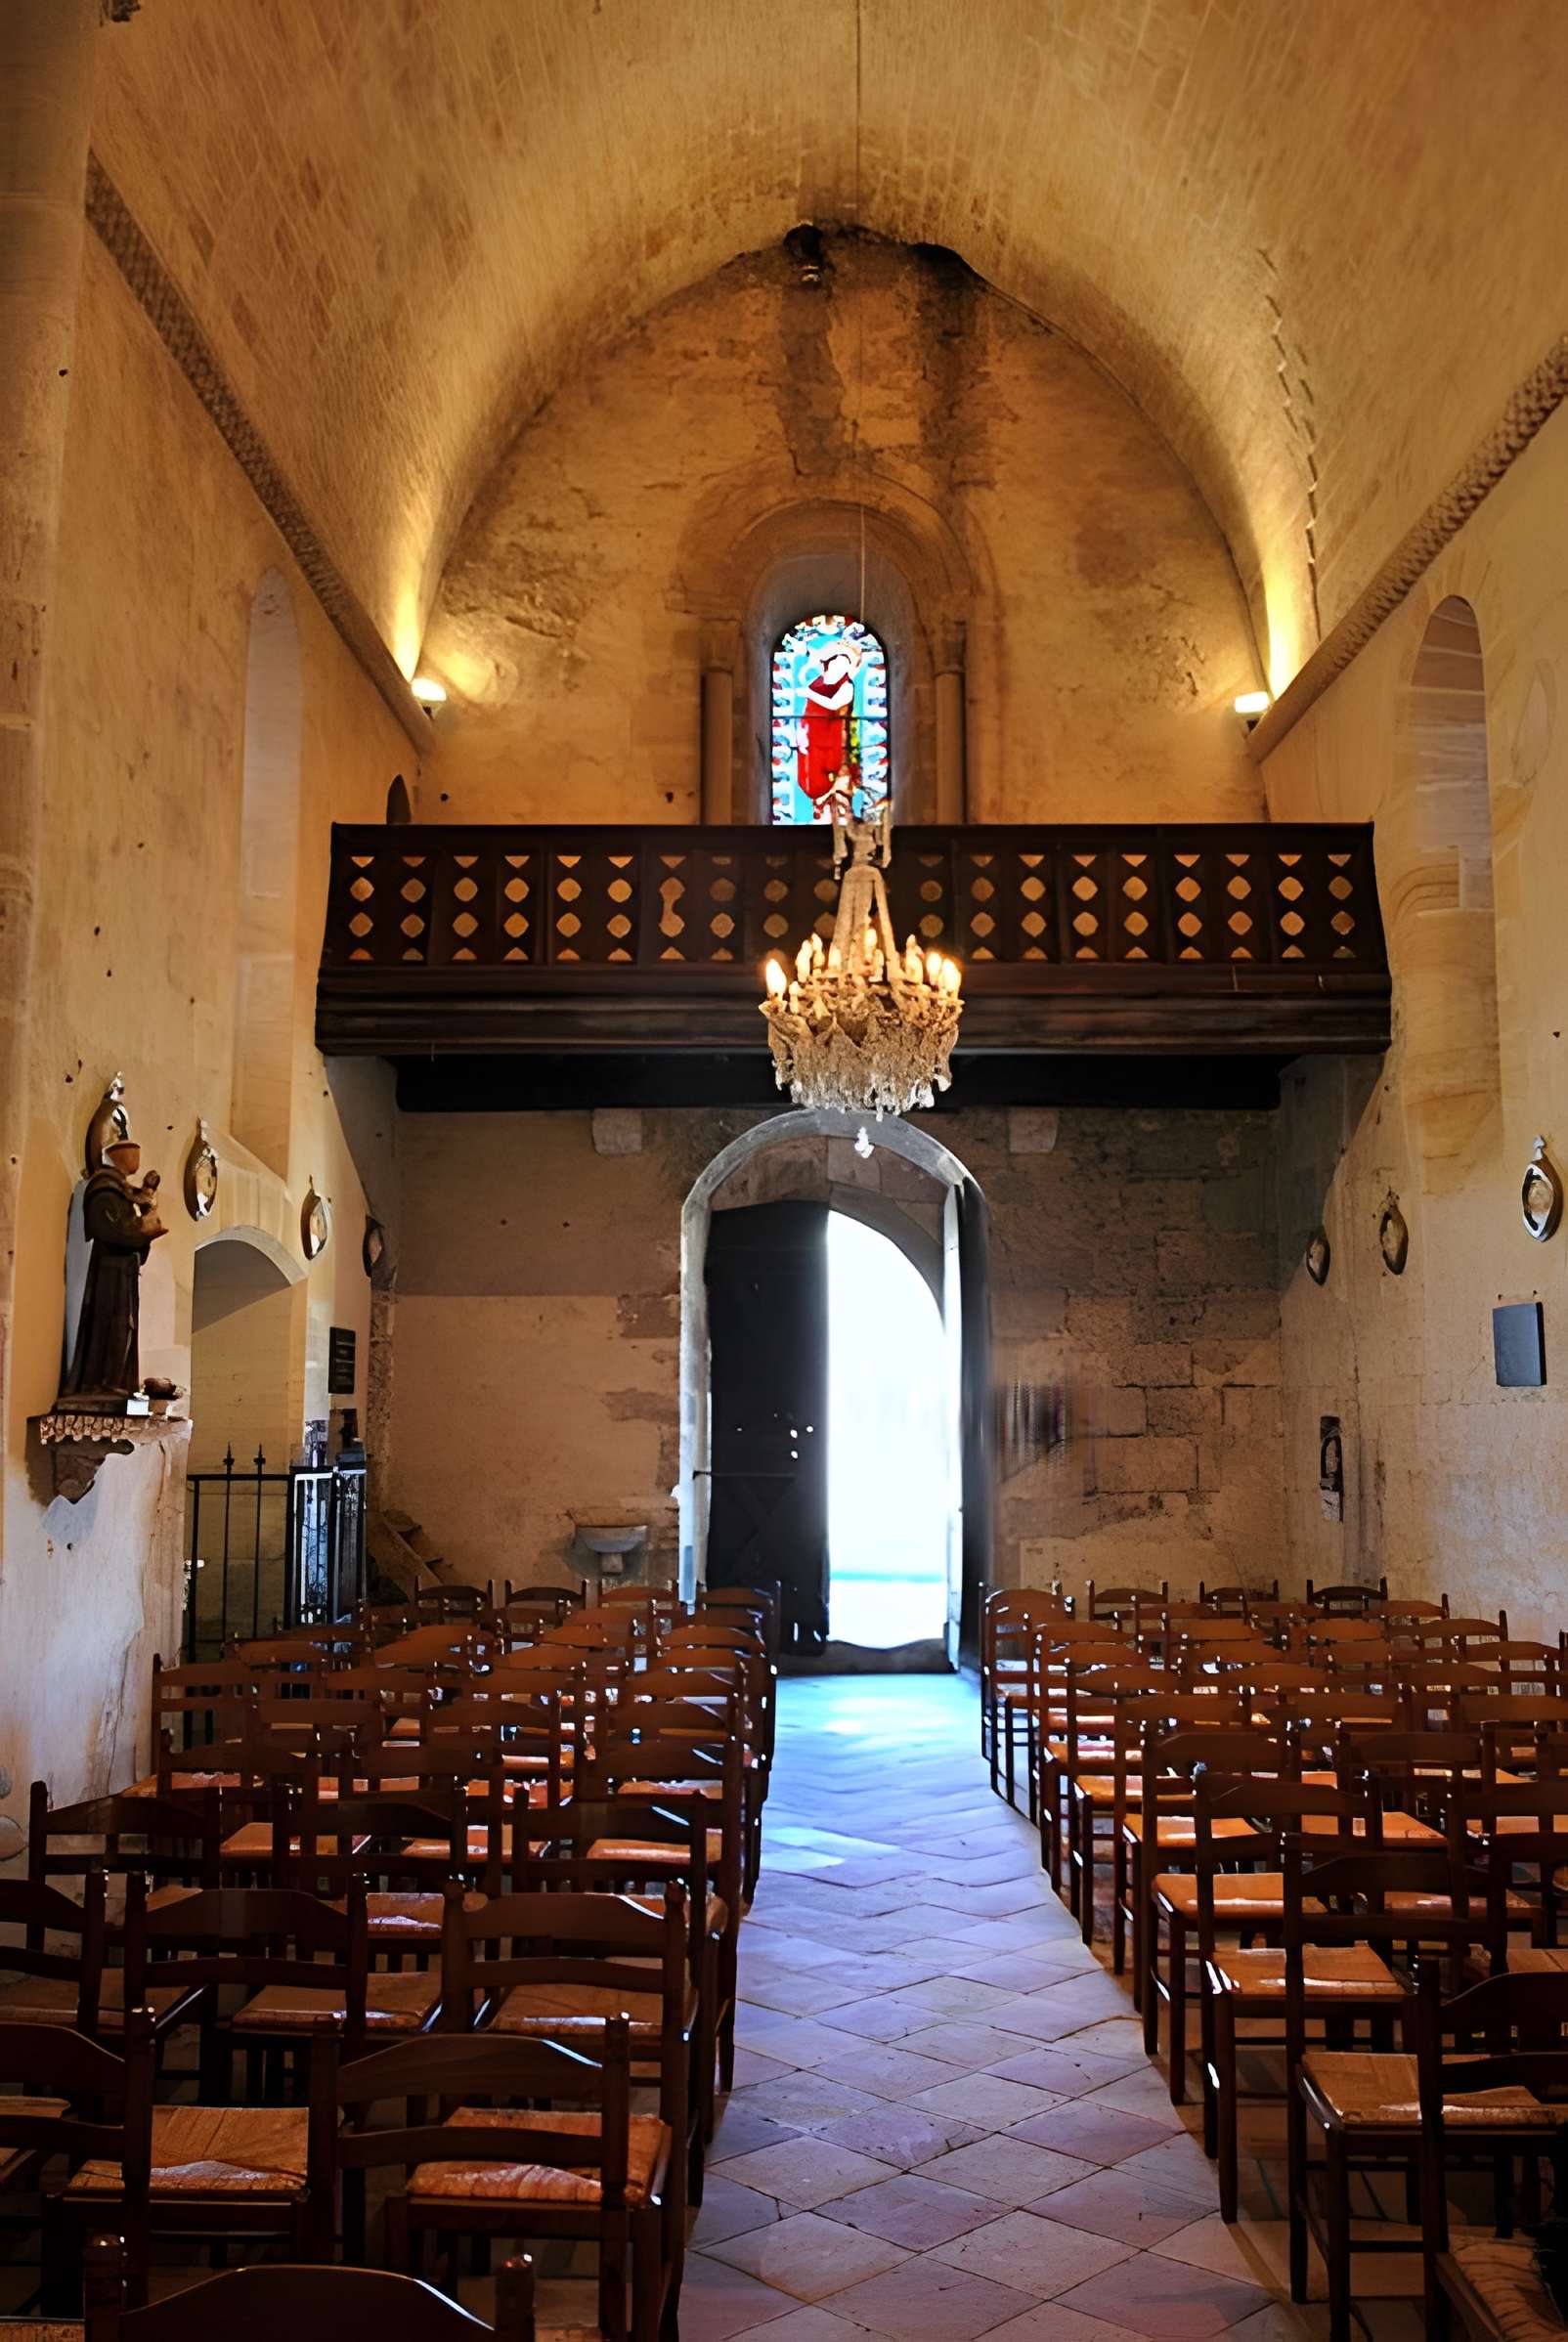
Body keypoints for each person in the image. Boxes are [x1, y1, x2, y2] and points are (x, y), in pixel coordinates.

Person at [63, 1135, 166, 1401]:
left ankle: (116, 1381)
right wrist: (141, 1232)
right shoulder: (104, 1189)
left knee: (125, 1327)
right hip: (109, 1271)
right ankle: (102, 1383)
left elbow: (131, 1236)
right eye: (134, 1154)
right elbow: (106, 1228)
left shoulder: (122, 1192)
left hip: (125, 1271)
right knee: (111, 1325)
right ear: (121, 1156)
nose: (137, 1160)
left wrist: (144, 1231)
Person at [796, 638, 861, 816]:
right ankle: (819, 806)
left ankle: (837, 809)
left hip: (832, 740)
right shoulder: (820, 682)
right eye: (834, 663)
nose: (836, 668)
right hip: (811, 738)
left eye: (843, 664)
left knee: (832, 776)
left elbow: (833, 704)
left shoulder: (847, 686)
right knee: (813, 778)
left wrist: (808, 693)